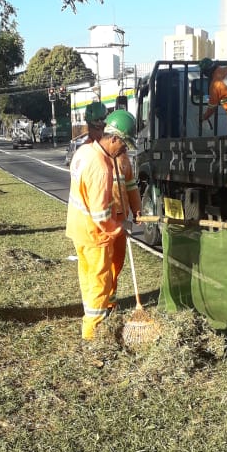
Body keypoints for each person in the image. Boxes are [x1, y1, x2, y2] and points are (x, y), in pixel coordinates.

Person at [66, 109, 137, 341]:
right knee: (99, 282)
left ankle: (94, 321)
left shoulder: (84, 152)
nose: (124, 150)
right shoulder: (101, 166)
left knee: (88, 280)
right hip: (95, 234)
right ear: (114, 138)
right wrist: (117, 229)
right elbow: (100, 214)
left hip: (79, 229)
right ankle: (93, 337)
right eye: (124, 145)